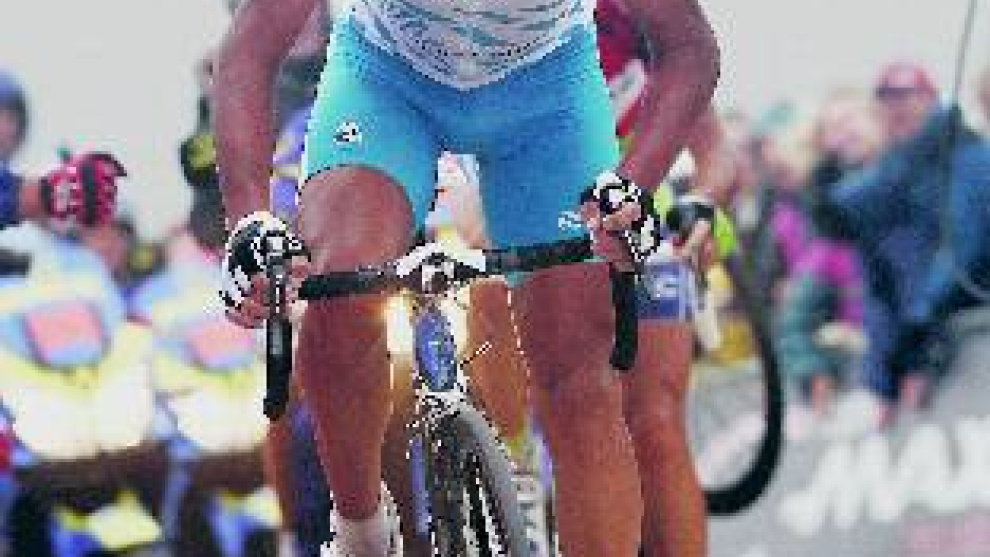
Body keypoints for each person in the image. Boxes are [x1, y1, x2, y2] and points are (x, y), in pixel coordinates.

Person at [214, 1, 720, 557]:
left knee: (580, 376)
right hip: (388, 81)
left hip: (547, 95)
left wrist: (631, 188)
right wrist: (250, 220)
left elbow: (688, 46)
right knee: (339, 283)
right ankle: (361, 528)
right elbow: (249, 48)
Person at [823, 62, 990, 426]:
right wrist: (879, 380)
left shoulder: (970, 157)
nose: (898, 109)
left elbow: (962, 249)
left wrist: (919, 329)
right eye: (887, 100)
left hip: (964, 337)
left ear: (931, 99)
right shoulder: (884, 184)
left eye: (907, 97)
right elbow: (879, 290)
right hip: (918, 354)